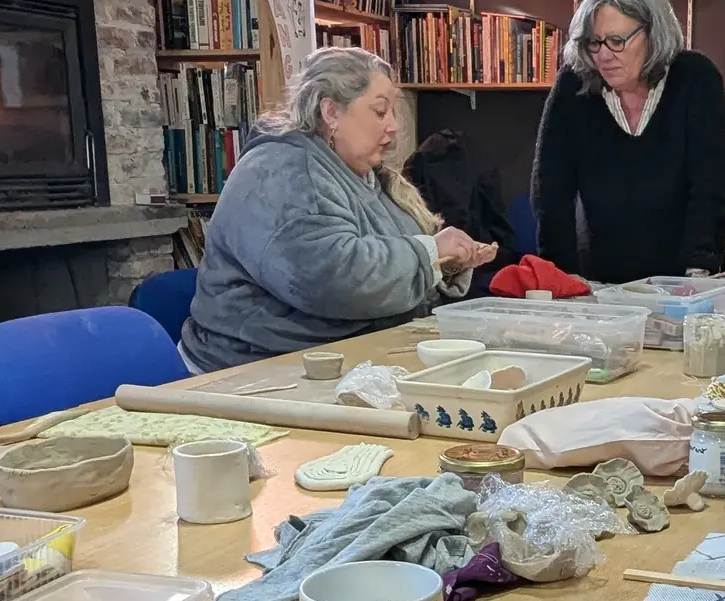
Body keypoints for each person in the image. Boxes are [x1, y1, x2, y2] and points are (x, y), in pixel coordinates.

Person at [180, 47, 497, 372]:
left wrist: (446, 262)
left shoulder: (361, 173)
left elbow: (395, 252)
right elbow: (331, 278)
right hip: (253, 372)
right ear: (331, 112)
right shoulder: (285, 171)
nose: (393, 127)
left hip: (339, 360)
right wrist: (429, 253)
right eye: (379, 111)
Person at [532, 0, 725, 282]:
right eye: (594, 42)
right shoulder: (574, 87)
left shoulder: (696, 79)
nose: (604, 56)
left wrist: (698, 272)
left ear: (653, 33)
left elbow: (712, 189)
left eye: (616, 41)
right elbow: (550, 192)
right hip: (596, 278)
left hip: (680, 278)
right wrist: (561, 278)